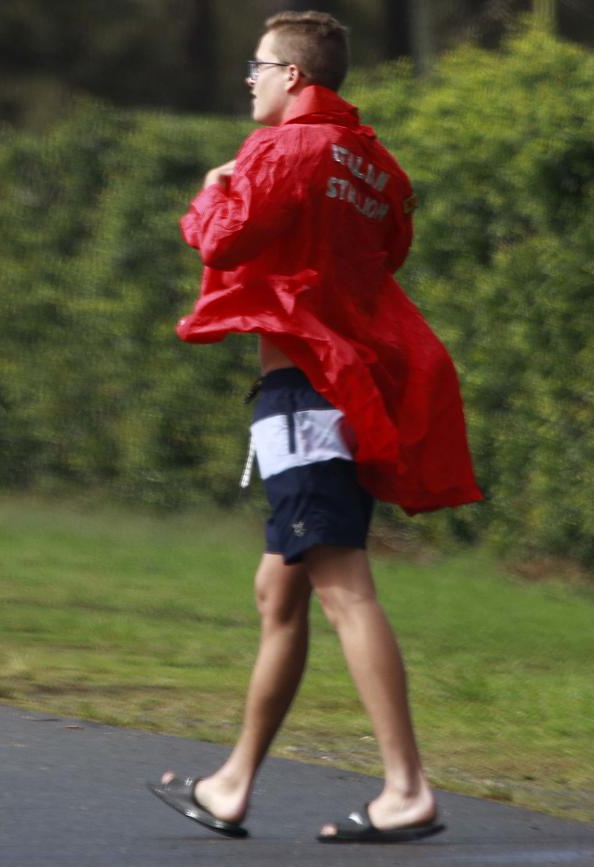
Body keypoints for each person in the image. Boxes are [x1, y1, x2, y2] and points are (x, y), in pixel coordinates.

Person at [148, 10, 482, 843]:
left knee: (342, 587)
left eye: (257, 68)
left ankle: (406, 787)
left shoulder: (280, 150)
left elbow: (221, 243)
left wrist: (215, 187)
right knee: (279, 590)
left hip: (303, 392)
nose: (250, 82)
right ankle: (231, 782)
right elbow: (385, 253)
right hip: (348, 385)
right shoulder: (374, 164)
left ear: (294, 76)